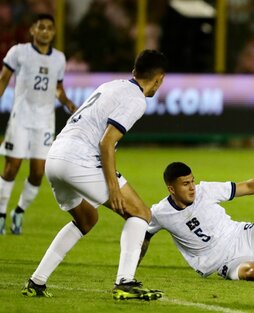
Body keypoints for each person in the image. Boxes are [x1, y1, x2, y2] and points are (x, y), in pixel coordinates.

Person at [21, 49, 168, 301]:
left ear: (134, 71)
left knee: (87, 219)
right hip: (79, 160)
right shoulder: (136, 99)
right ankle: (125, 282)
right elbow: (106, 142)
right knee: (140, 213)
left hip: (55, 158)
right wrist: (113, 186)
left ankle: (36, 282)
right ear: (159, 79)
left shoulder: (110, 86)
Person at [0, 13, 77, 235]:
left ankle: (19, 212)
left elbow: (58, 87)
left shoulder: (59, 58)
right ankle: (2, 213)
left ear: (53, 32)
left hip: (45, 121)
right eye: (41, 27)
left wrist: (67, 102)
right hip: (21, 118)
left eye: (49, 28)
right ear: (33, 30)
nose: (45, 31)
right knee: (11, 167)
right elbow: (4, 79)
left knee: (37, 172)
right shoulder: (19, 52)